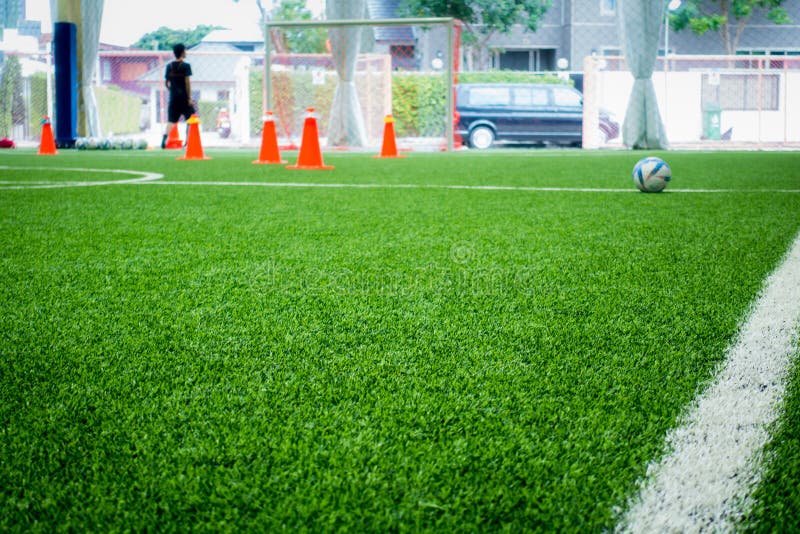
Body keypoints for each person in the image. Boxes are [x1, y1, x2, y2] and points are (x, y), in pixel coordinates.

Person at [161, 43, 195, 149]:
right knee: (191, 118)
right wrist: (189, 97)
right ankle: (187, 142)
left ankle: (164, 139)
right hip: (184, 98)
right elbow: (187, 83)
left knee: (171, 121)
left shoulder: (169, 66)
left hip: (173, 98)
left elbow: (166, 83)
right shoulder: (186, 66)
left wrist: (172, 90)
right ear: (182, 52)